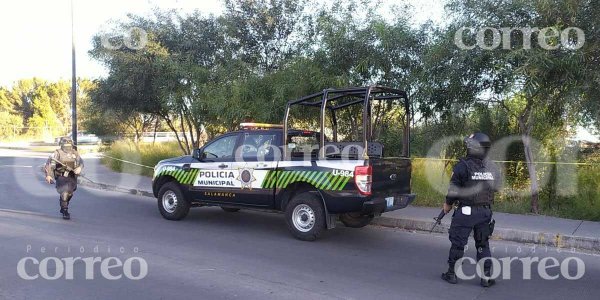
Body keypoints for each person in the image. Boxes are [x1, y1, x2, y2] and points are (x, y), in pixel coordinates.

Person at [441, 133, 501, 287]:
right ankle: (486, 277)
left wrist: (447, 205)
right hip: (485, 212)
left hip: (466, 212)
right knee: (483, 244)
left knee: (458, 243)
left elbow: (453, 190)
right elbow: (496, 187)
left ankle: (451, 273)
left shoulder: (463, 165)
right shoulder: (493, 167)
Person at [44, 137, 84, 220]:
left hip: (72, 176)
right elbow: (49, 164)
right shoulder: (57, 153)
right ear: (61, 145)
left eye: (69, 145)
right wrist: (48, 175)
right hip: (61, 176)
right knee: (65, 192)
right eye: (65, 145)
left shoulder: (75, 153)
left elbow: (81, 162)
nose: (67, 146)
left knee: (70, 193)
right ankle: (65, 210)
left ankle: (64, 204)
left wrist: (79, 168)